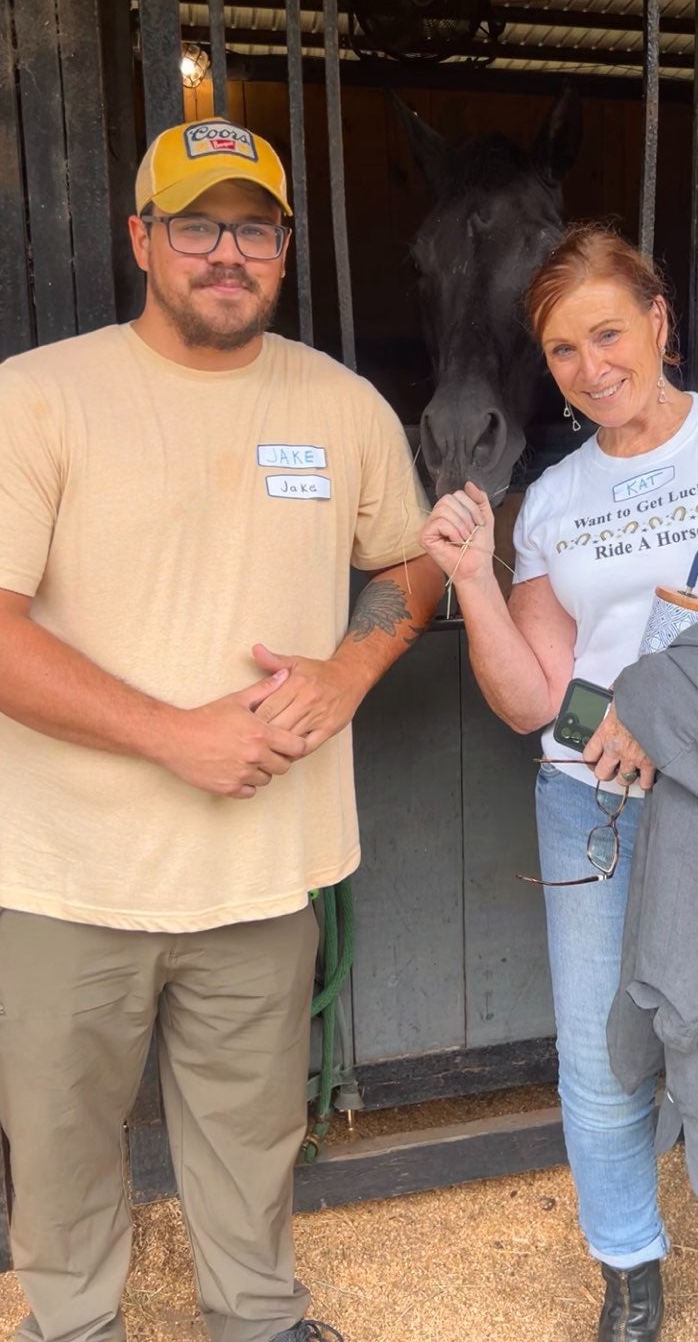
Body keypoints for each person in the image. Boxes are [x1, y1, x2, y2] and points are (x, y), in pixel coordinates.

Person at [0, 118, 443, 1342]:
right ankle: (72, 1324)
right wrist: (166, 734)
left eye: (254, 227)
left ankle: (254, 1318)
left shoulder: (340, 403)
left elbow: (411, 563)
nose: (226, 252)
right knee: (60, 1136)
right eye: (197, 224)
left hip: (263, 866)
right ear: (142, 238)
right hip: (65, 869)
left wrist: (354, 666)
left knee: (252, 1128)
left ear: (286, 249)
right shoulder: (38, 398)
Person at [419, 225, 698, 1342]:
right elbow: (531, 699)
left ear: (658, 321)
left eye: (607, 332)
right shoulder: (555, 497)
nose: (590, 365)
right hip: (591, 803)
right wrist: (470, 577)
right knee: (600, 1058)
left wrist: (673, 718)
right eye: (562, 350)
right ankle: (628, 1278)